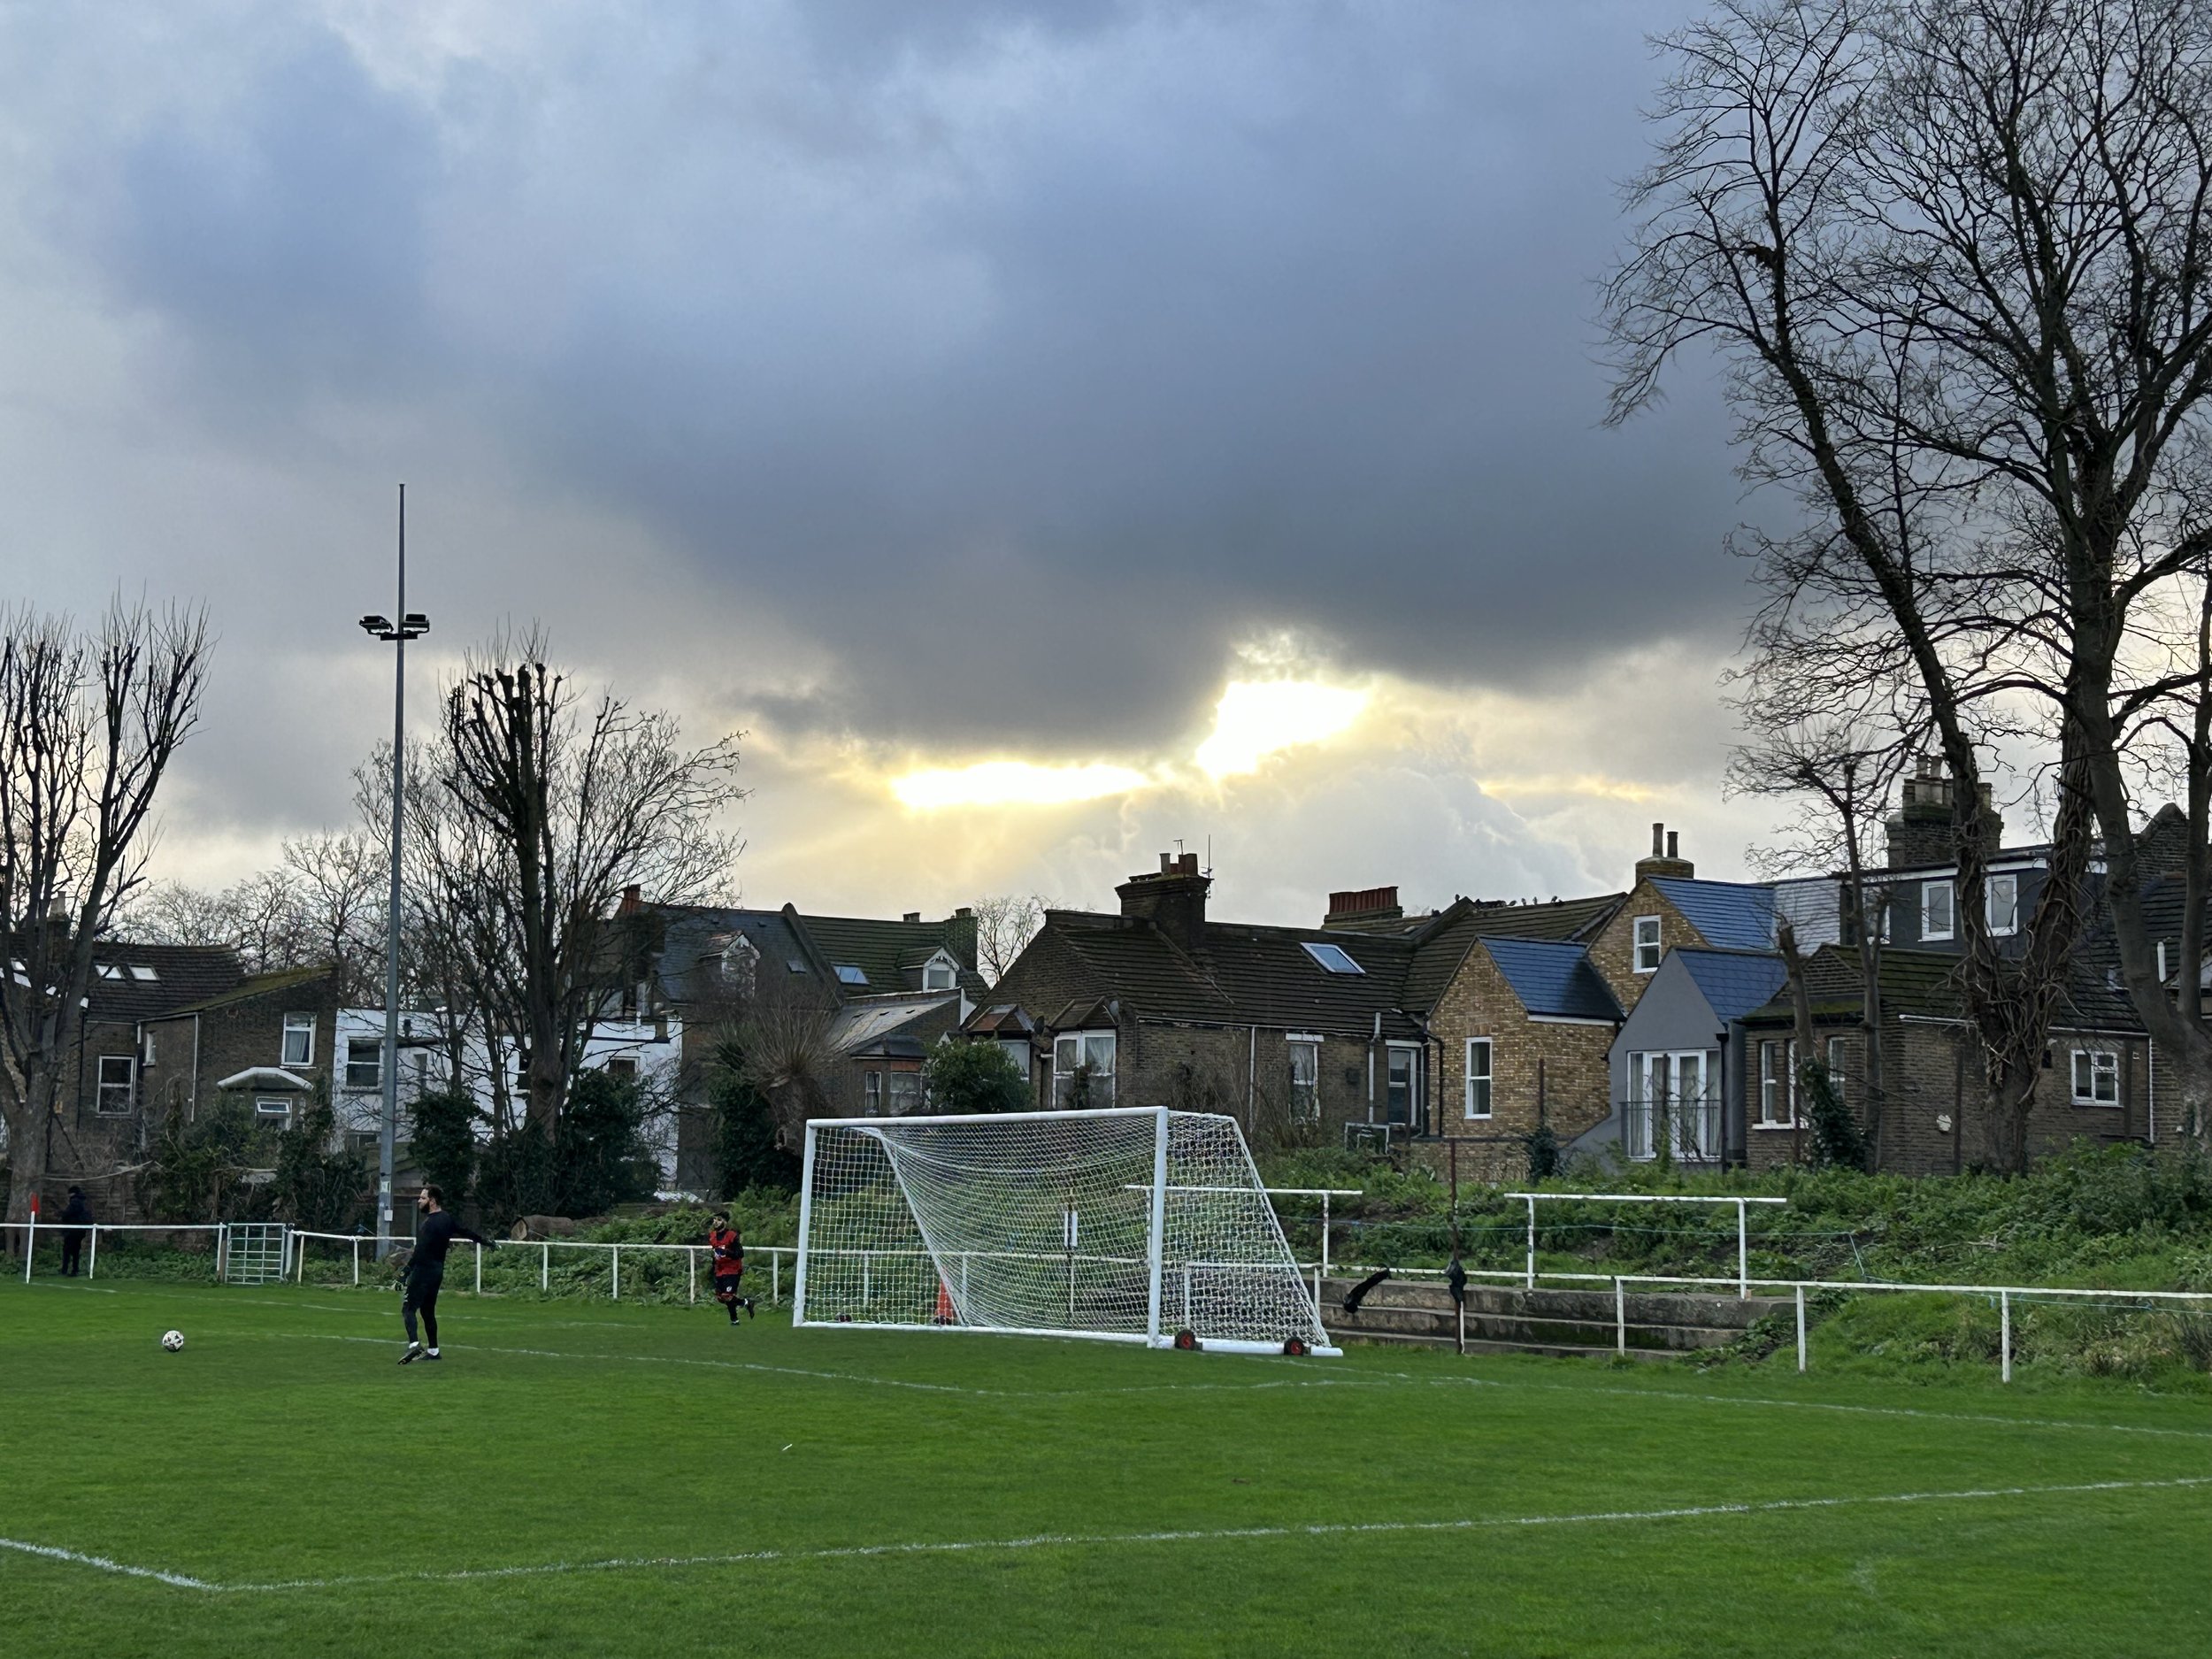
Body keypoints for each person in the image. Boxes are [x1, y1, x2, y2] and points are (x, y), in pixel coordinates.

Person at [399, 1185, 494, 1364]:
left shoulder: (429, 1223)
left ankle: (414, 1344)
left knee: (408, 1308)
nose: (419, 1201)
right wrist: (487, 1242)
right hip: (437, 1272)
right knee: (428, 1311)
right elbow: (466, 1232)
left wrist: (404, 1273)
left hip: (423, 1271)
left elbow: (420, 1251)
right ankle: (434, 1351)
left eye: (422, 1198)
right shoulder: (447, 1219)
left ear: (432, 1201)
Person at [706, 1212, 755, 1324]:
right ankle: (745, 1304)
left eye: (719, 1219)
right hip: (719, 1269)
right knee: (721, 1298)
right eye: (714, 1219)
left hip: (732, 1269)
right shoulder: (712, 1236)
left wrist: (726, 1252)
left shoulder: (732, 1236)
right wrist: (713, 1264)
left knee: (727, 1296)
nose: (715, 1222)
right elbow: (715, 1252)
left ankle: (734, 1320)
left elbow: (740, 1253)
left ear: (725, 1222)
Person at [58, 1187, 92, 1277]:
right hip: (79, 1231)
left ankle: (66, 1270)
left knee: (67, 1251)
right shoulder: (82, 1202)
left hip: (73, 1231)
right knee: (75, 1251)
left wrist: (61, 1214)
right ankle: (74, 1270)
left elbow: (68, 1213)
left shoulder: (75, 1202)